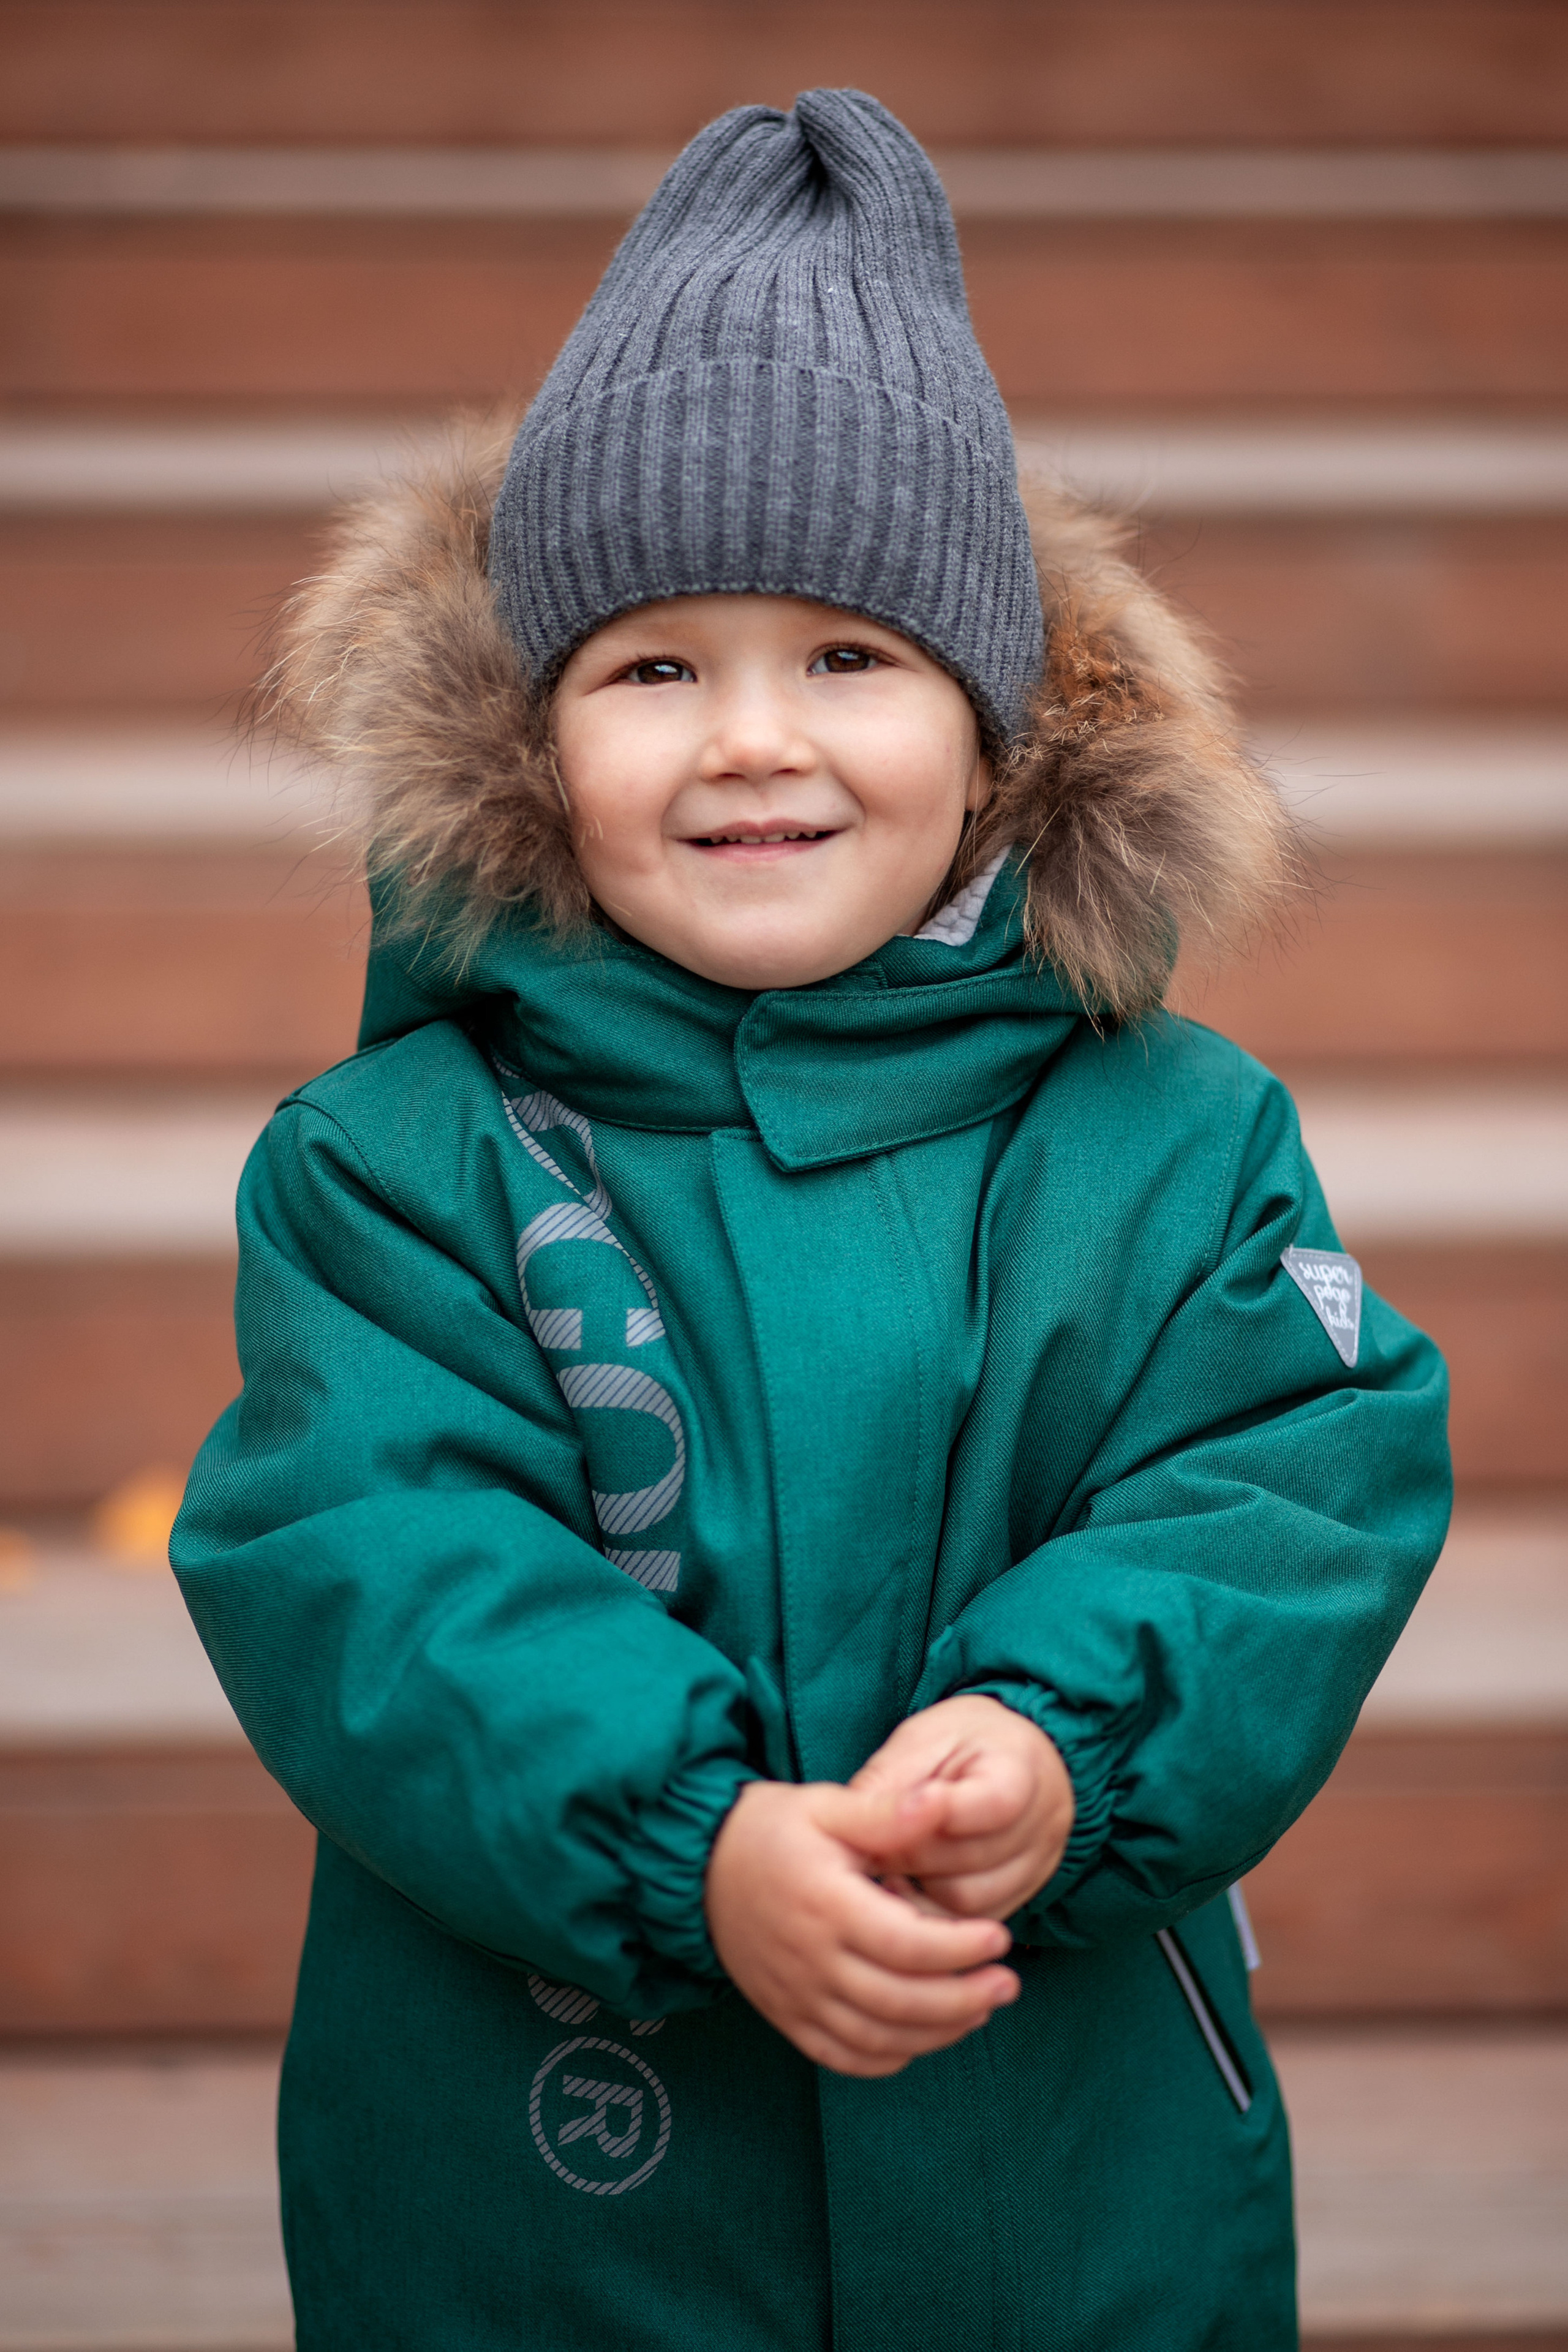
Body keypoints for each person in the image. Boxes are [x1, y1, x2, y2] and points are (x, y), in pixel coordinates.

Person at [172, 88, 1450, 2352]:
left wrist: (1069, 1745)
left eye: (849, 657)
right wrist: (691, 1840)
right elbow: (366, 1555)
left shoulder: (1175, 1141)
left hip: (1064, 2172)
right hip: (556, 2197)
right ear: (533, 736)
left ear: (996, 727)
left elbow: (1292, 1482)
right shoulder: (400, 1164)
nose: (754, 736)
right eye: (654, 666)